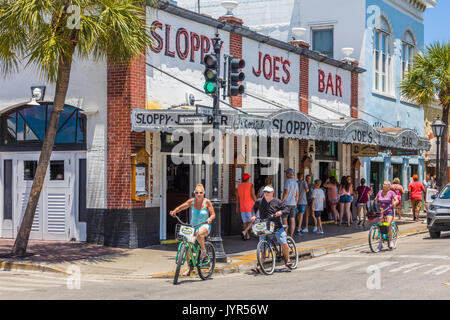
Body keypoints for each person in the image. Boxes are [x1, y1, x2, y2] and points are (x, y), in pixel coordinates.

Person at [170, 184, 215, 276]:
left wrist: (210, 219)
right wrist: (174, 211)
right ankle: (189, 268)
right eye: (197, 192)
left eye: (201, 193)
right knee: (186, 246)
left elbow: (213, 214)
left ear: (204, 193)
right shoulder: (192, 201)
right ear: (194, 193)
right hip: (193, 227)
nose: (199, 194)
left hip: (204, 226)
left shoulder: (207, 202)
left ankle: (204, 250)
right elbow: (182, 207)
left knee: (199, 234)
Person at [250, 185, 292, 273]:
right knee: (263, 248)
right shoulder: (260, 201)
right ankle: (259, 266)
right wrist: (253, 215)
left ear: (272, 193)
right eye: (265, 192)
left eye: (268, 192)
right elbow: (254, 208)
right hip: (264, 227)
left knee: (283, 242)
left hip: (276, 227)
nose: (266, 194)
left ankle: (288, 260)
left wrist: (280, 212)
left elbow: (287, 209)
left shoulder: (277, 201)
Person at [375, 181, 400, 249]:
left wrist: (395, 203)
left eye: (386, 185)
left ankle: (391, 241)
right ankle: (380, 243)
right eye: (383, 184)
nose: (384, 185)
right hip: (381, 211)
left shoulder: (391, 193)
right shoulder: (380, 192)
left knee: (388, 225)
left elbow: (396, 200)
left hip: (389, 211)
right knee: (381, 225)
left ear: (389, 187)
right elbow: (376, 199)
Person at [236, 173, 257, 240]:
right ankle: (245, 232)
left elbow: (237, 198)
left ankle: (247, 235)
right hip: (250, 206)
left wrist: (237, 207)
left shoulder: (239, 186)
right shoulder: (251, 185)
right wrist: (258, 203)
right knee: (253, 220)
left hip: (242, 207)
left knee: (245, 222)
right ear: (248, 179)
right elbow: (253, 195)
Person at [281, 168, 299, 238]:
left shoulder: (288, 181)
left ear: (288, 174)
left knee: (284, 219)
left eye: (286, 173)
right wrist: (296, 203)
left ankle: (285, 235)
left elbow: (286, 192)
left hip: (287, 203)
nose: (285, 174)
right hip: (293, 203)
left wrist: (282, 201)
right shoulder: (295, 183)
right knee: (292, 219)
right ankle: (291, 235)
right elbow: (297, 195)